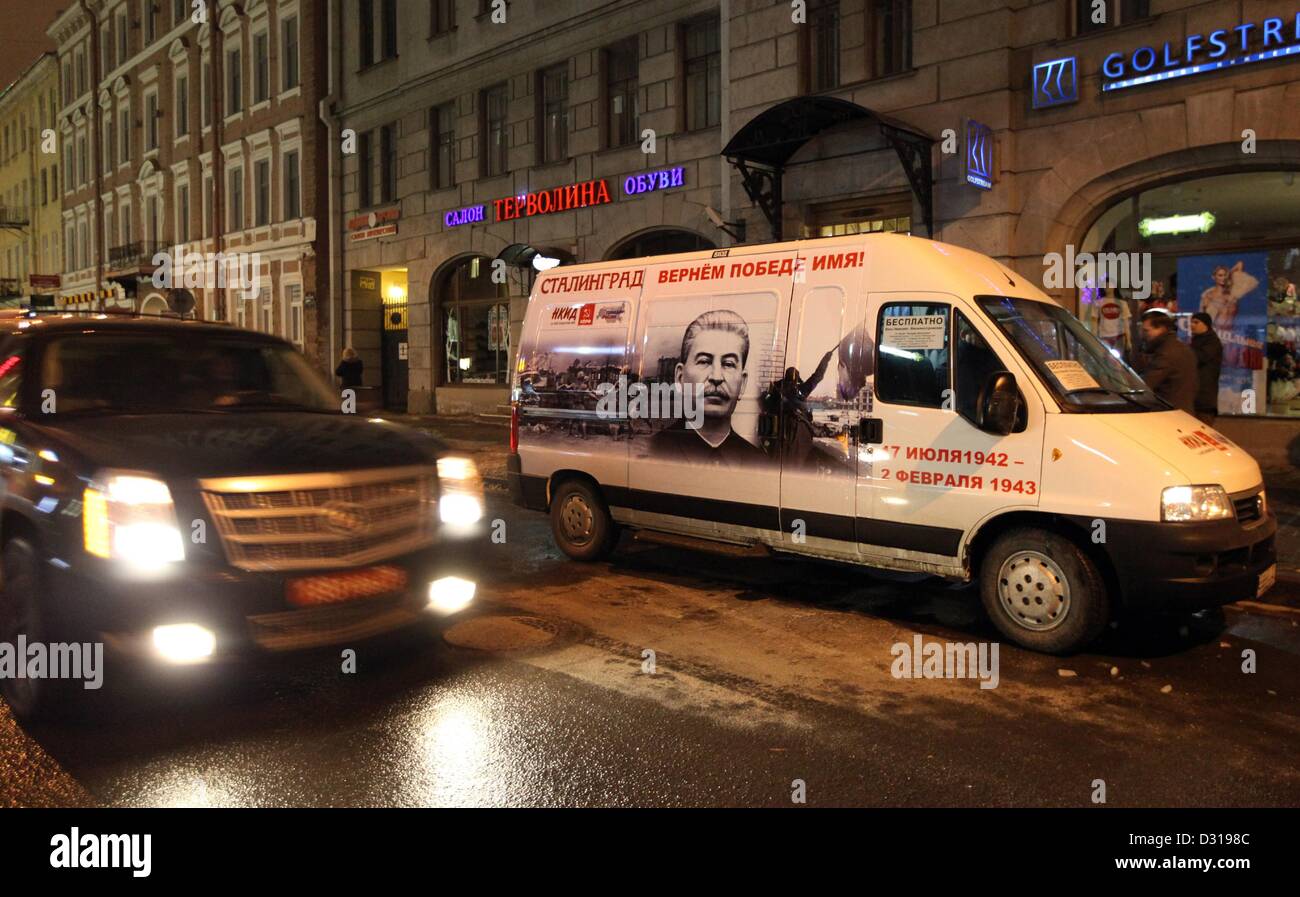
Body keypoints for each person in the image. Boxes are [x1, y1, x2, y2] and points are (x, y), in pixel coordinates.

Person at [649, 309, 766, 466]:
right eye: (704, 361)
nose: (716, 377)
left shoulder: (761, 464)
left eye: (729, 364)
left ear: (743, 383)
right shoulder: (651, 453)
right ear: (680, 378)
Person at [1135, 309, 1197, 413]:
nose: (1143, 335)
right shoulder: (1179, 347)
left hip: (1170, 412)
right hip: (1181, 409)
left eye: (1146, 331)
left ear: (1161, 329)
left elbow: (1146, 383)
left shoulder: (1166, 353)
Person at [1189, 312, 1223, 424]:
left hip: (1204, 400)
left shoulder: (1212, 342)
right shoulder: (1197, 341)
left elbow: (1200, 358)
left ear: (1206, 325)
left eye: (1196, 322)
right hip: (1197, 398)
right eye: (1191, 322)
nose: (1192, 325)